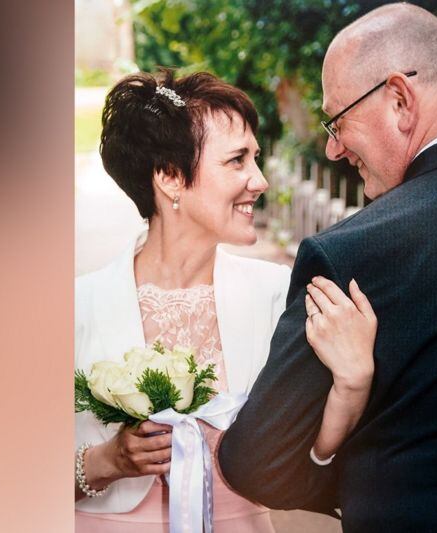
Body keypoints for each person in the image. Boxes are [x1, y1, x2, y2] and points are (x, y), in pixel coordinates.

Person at [219, 3, 437, 531]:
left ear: (400, 99)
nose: (332, 148)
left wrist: (340, 442)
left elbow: (255, 460)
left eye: (337, 120)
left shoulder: (357, 256)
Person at [74, 70, 377, 532]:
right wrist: (106, 460)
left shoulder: (279, 295)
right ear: (170, 177)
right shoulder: (77, 306)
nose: (259, 181)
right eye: (237, 160)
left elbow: (312, 463)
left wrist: (352, 385)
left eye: (256, 159)